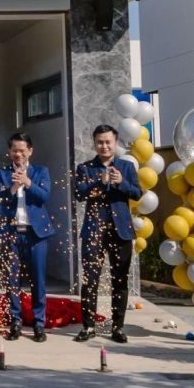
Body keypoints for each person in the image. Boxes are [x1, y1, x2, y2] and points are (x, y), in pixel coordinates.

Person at [73, 123, 142, 343]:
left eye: (108, 142)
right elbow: (79, 194)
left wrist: (121, 183)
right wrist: (98, 182)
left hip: (121, 231)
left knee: (119, 280)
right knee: (90, 280)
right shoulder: (85, 168)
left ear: (115, 142)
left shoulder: (126, 166)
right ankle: (88, 326)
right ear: (94, 144)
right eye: (100, 142)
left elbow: (137, 193)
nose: (104, 146)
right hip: (94, 231)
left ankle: (118, 327)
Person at [0, 132, 55, 342]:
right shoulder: (2, 173)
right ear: (9, 151)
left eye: (22, 150)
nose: (18, 154)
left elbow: (44, 196)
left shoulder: (40, 171)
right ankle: (15, 321)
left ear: (30, 151)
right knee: (12, 279)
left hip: (36, 233)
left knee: (38, 279)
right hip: (11, 233)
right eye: (14, 150)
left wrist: (28, 183)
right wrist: (13, 188)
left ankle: (39, 323)